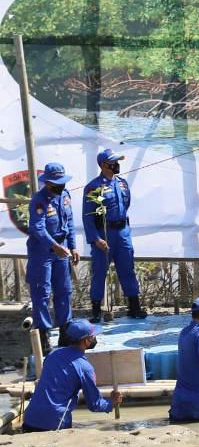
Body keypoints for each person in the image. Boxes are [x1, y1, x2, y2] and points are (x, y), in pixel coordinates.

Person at [22, 319, 122, 432]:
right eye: (93, 336)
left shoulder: (53, 354)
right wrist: (111, 402)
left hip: (29, 420)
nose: (94, 338)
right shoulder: (85, 368)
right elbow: (94, 404)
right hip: (55, 424)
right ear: (86, 341)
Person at [83, 148, 146, 322]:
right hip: (104, 234)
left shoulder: (122, 183)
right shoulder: (94, 187)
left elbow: (126, 205)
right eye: (113, 162)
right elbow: (87, 217)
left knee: (128, 269)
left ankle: (134, 307)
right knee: (99, 272)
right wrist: (96, 239)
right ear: (104, 165)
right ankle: (96, 310)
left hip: (122, 232)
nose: (117, 165)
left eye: (117, 162)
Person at [26, 163, 80, 353]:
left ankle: (66, 332)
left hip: (61, 250)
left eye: (62, 182)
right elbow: (37, 228)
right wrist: (54, 246)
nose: (61, 186)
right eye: (57, 183)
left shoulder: (65, 196)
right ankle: (43, 336)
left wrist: (72, 246)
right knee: (42, 293)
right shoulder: (38, 201)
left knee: (64, 290)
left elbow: (70, 222)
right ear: (48, 182)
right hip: (42, 252)